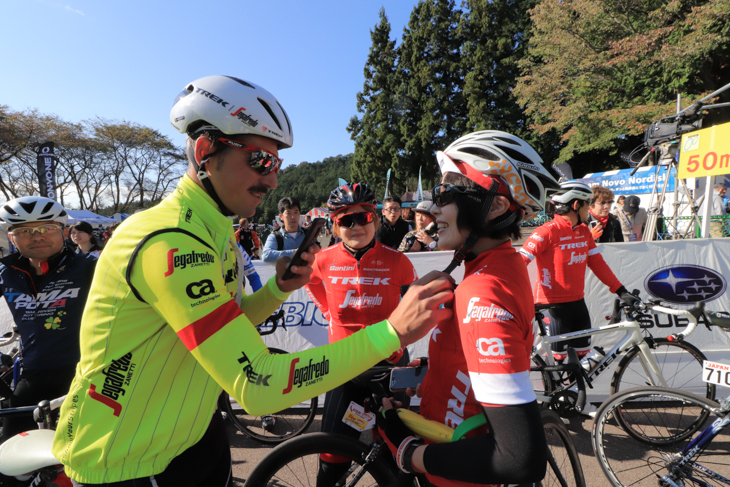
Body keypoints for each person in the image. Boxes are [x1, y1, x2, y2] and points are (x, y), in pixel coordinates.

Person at [50, 75, 454, 486]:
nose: (274, 179)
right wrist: (391, 332)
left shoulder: (215, 231)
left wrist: (279, 289)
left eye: (277, 163)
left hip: (193, 434)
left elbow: (232, 320)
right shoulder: (168, 241)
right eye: (261, 161)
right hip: (128, 458)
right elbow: (258, 385)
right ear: (206, 151)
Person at [376, 131, 560, 486]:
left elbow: (519, 458)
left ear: (494, 206)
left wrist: (408, 452)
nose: (432, 209)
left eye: (444, 194)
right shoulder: (500, 266)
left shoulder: (485, 291)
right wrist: (428, 377)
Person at [304, 182, 418, 486]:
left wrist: (401, 341)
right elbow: (311, 283)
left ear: (376, 219)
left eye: (364, 217)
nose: (356, 226)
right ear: (335, 224)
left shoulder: (399, 262)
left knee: (398, 460)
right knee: (331, 460)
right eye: (346, 220)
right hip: (345, 366)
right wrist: (328, 311)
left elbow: (412, 312)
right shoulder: (324, 260)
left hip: (390, 365)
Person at [0, 197, 97, 445]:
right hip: (33, 374)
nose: (37, 236)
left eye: (47, 228)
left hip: (86, 374)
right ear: (12, 238)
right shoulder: (6, 273)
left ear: (64, 232)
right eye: (24, 231)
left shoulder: (91, 266)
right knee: (10, 458)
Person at [519, 181, 640, 363]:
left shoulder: (584, 231)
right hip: (552, 307)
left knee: (583, 360)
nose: (590, 209)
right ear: (576, 205)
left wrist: (621, 291)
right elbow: (519, 262)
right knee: (558, 364)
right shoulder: (546, 232)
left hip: (578, 303)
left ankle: (575, 391)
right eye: (587, 204)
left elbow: (597, 263)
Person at [262, 196, 306, 263]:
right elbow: (266, 255)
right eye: (288, 213)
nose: (293, 217)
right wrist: (294, 252)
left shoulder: (308, 234)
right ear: (281, 217)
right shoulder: (275, 237)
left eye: (296, 212)